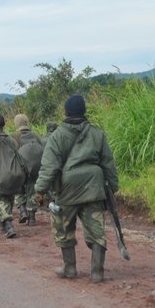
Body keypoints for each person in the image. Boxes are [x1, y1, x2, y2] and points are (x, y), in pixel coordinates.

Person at [34, 95, 119, 283]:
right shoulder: (97, 133)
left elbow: (49, 167)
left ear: (65, 112)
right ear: (84, 111)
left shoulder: (57, 136)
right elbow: (108, 164)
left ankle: (70, 268)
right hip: (94, 187)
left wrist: (39, 189)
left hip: (67, 189)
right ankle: (97, 271)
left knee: (63, 227)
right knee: (96, 230)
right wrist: (113, 187)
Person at [11, 114, 43, 226]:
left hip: (20, 169)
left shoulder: (14, 136)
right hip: (34, 169)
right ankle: (32, 217)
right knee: (32, 191)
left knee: (19, 191)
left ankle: (22, 211)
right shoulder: (35, 135)